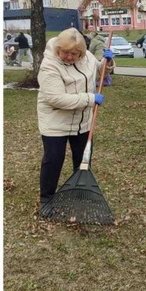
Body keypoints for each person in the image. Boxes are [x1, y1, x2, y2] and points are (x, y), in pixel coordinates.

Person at [37, 29, 114, 210]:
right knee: (54, 159)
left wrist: (107, 62)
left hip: (82, 120)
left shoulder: (86, 56)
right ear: (58, 49)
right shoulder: (49, 65)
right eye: (65, 52)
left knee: (82, 159)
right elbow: (56, 98)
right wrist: (90, 98)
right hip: (56, 121)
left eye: (74, 53)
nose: (70, 57)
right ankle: (46, 198)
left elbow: (98, 70)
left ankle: (78, 190)